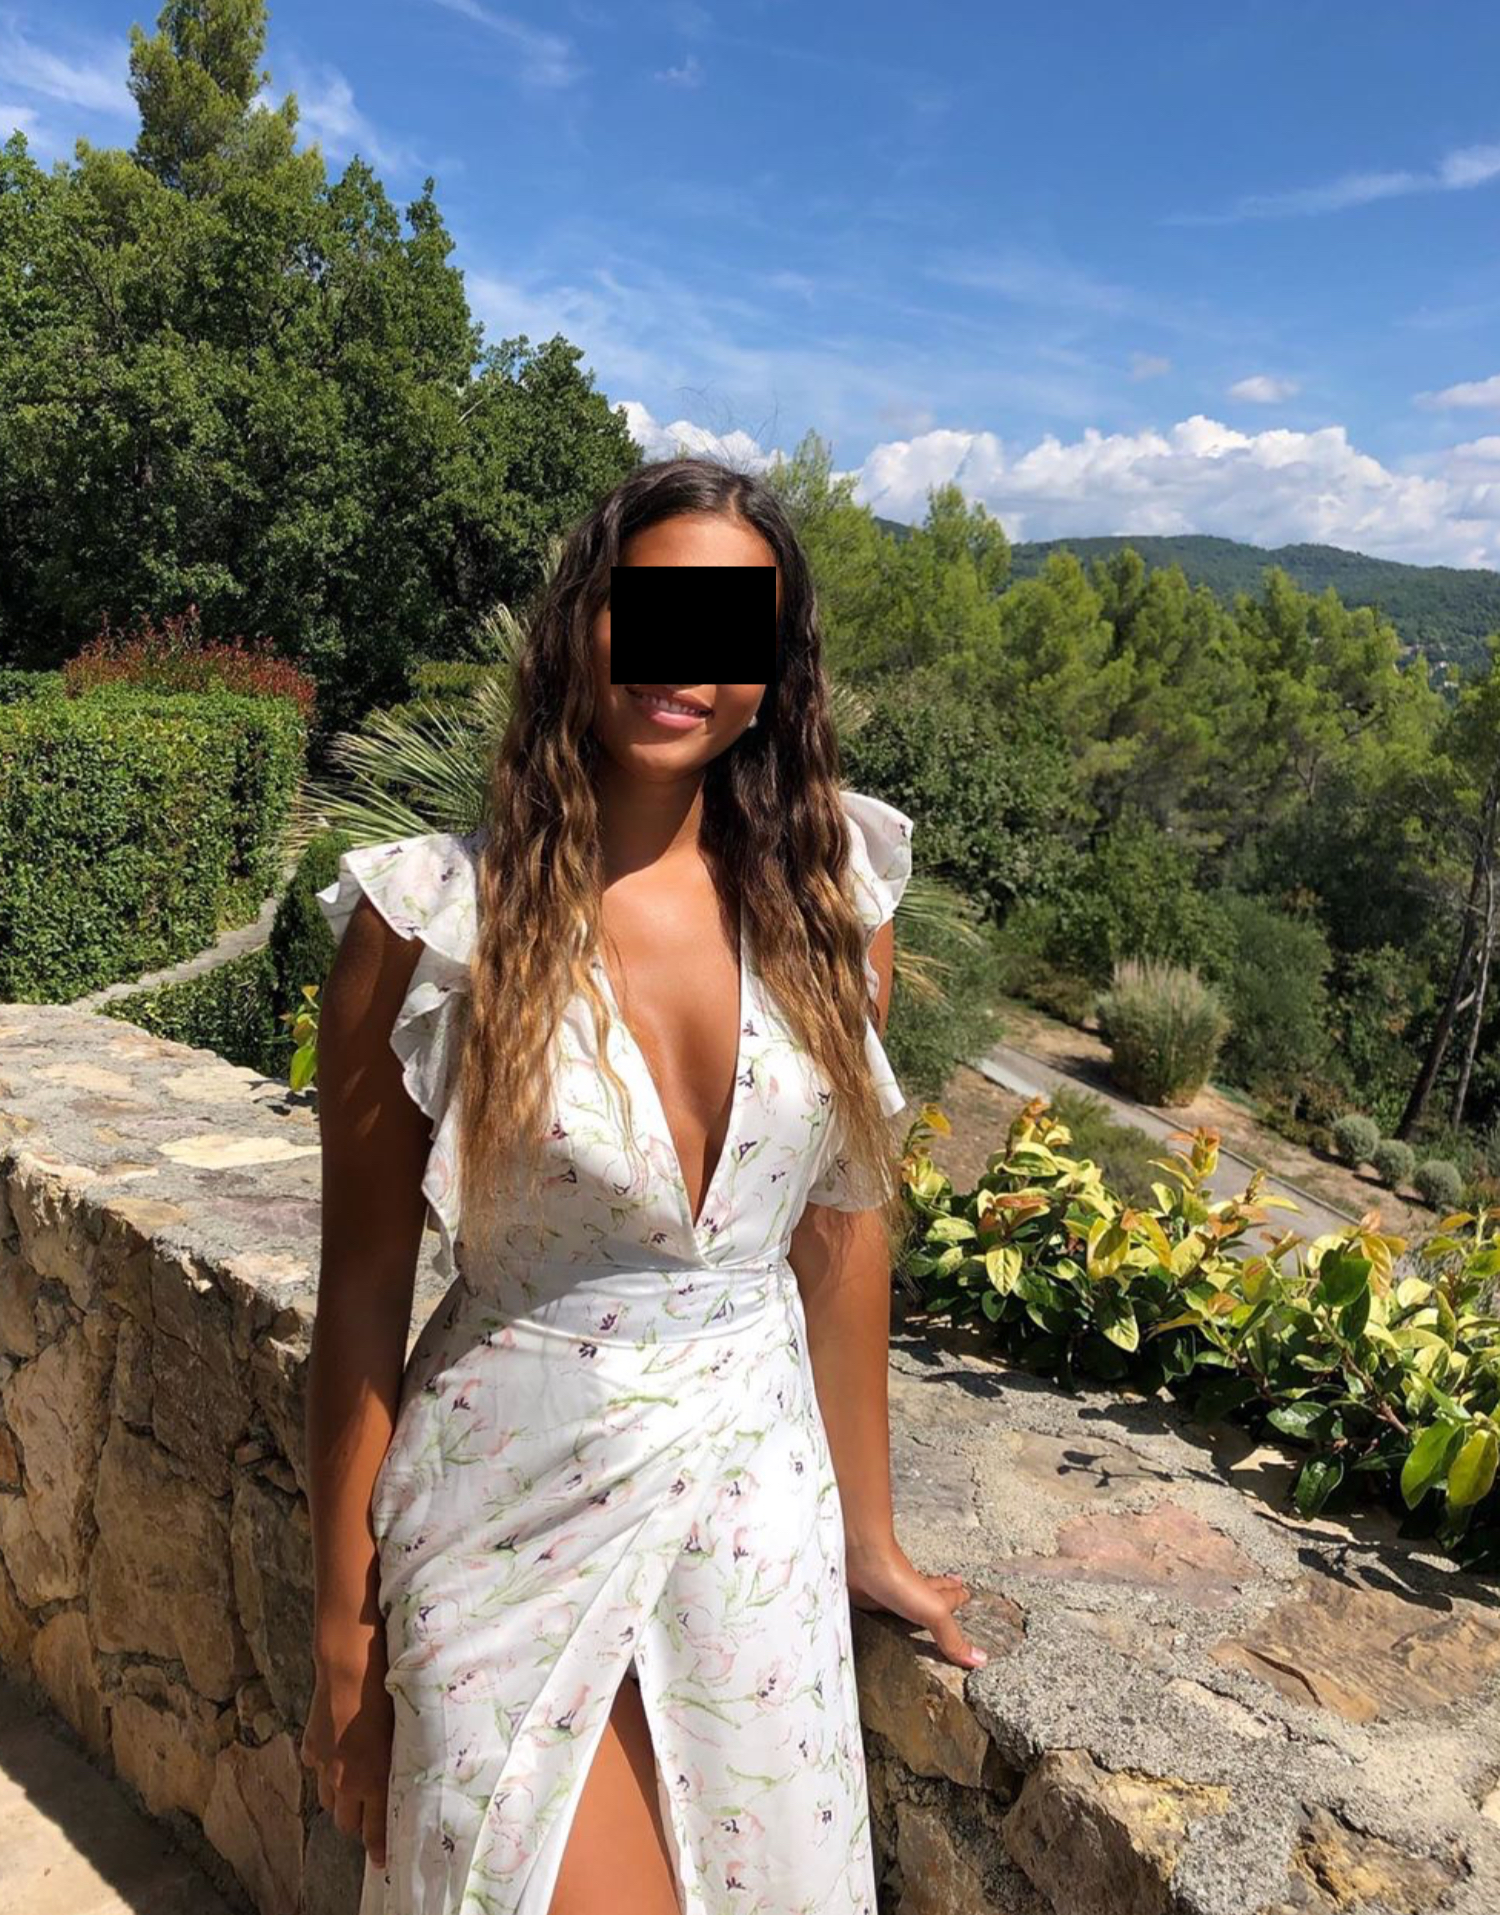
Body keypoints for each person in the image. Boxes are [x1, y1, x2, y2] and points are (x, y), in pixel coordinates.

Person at [299, 454, 985, 1915]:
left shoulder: (832, 900)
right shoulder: (430, 924)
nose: (685, 664)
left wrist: (867, 1537)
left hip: (755, 1517)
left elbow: (839, 1229)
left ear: (774, 671)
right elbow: (359, 1287)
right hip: (502, 1508)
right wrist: (341, 1638)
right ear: (581, 623)